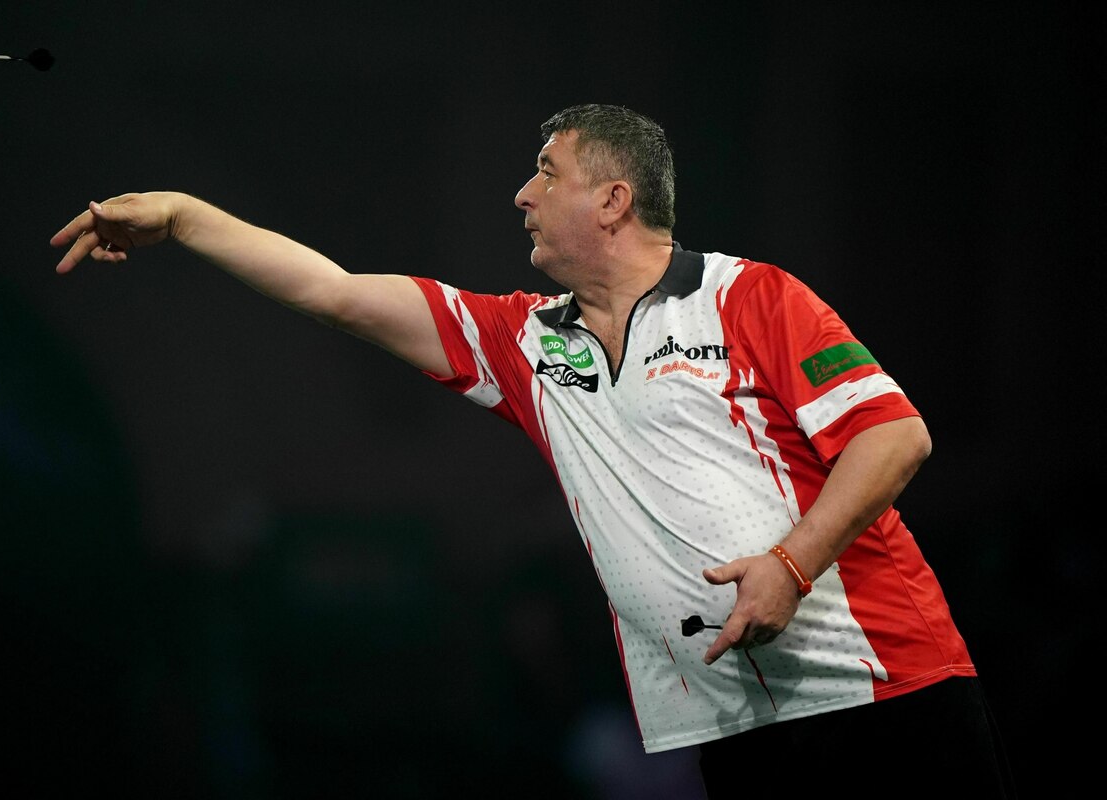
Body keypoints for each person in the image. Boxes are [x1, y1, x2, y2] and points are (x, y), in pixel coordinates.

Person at [51, 104, 1015, 797]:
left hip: (886, 689)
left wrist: (792, 566)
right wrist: (187, 218)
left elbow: (896, 434)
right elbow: (335, 293)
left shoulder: (751, 296)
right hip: (735, 722)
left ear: (613, 198)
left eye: (546, 173)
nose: (521, 195)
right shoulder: (524, 342)